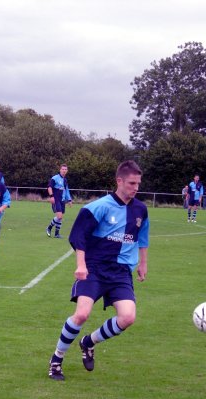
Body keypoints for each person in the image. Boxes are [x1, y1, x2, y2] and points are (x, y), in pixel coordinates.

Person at [48, 160, 149, 381]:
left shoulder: (141, 209)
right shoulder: (98, 207)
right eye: (132, 183)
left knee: (128, 317)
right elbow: (78, 236)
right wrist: (81, 264)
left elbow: (142, 239)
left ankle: (89, 342)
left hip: (121, 272)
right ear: (119, 181)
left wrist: (143, 264)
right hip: (94, 268)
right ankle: (57, 358)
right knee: (82, 314)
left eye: (138, 183)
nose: (136, 188)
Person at [45, 164, 72, 238]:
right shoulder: (55, 178)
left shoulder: (65, 180)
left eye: (65, 169)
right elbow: (49, 187)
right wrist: (51, 196)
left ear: (67, 171)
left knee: (60, 217)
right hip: (56, 199)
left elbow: (66, 190)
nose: (64, 171)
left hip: (62, 200)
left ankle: (57, 234)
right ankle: (49, 228)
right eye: (63, 169)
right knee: (59, 216)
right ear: (60, 170)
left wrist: (69, 200)